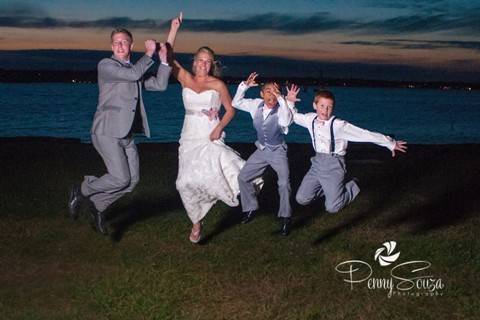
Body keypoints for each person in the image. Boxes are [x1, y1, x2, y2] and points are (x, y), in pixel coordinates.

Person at [68, 27, 172, 235]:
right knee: (120, 178)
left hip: (126, 135)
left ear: (131, 46)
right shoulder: (106, 65)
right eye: (116, 42)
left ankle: (97, 206)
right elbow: (133, 74)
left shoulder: (134, 69)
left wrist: (164, 61)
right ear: (111, 46)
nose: (120, 45)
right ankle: (82, 190)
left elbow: (159, 85)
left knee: (131, 181)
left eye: (124, 41)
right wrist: (149, 53)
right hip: (106, 131)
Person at [166, 14, 257, 243]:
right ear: (195, 61)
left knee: (222, 165)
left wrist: (219, 128)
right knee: (183, 182)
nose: (203, 64)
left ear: (211, 64)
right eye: (200, 60)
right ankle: (196, 221)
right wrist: (174, 29)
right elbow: (166, 57)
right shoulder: (185, 78)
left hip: (209, 133)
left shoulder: (218, 84)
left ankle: (248, 187)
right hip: (189, 135)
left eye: (208, 61)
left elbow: (231, 110)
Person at [290, 88, 408, 213]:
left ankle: (354, 185)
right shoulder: (310, 119)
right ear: (315, 105)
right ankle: (331, 189)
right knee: (302, 198)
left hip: (334, 165)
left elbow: (365, 134)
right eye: (322, 106)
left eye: (329, 107)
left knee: (332, 207)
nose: (325, 110)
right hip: (317, 163)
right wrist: (290, 101)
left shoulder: (339, 125)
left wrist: (390, 143)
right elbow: (292, 116)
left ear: (333, 108)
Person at [232, 72, 295, 236]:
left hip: (278, 152)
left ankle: (286, 217)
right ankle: (251, 207)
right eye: (268, 91)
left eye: (275, 91)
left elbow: (287, 121)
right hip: (261, 150)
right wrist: (244, 86)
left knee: (284, 184)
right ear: (262, 94)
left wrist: (282, 99)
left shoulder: (282, 109)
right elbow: (236, 102)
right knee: (243, 177)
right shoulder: (255, 105)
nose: (272, 95)